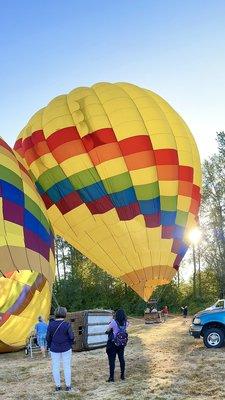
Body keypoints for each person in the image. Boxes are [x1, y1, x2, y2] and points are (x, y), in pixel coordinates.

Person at [46, 306, 75, 392]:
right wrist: (70, 343)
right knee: (67, 367)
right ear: (64, 314)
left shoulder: (50, 325)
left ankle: (58, 386)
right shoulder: (67, 325)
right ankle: (68, 386)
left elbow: (48, 337)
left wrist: (50, 346)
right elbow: (71, 337)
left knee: (55, 367)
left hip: (54, 348)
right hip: (66, 348)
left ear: (55, 314)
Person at [105, 308, 128, 382]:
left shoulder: (114, 322)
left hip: (113, 344)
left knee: (112, 361)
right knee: (121, 359)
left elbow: (107, 330)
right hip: (121, 343)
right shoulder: (126, 323)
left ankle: (111, 378)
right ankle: (122, 376)